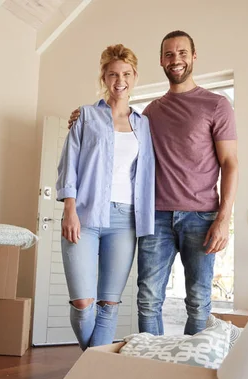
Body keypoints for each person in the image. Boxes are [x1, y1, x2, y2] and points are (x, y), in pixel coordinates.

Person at [68, 31, 238, 336]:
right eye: (169, 54)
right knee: (147, 301)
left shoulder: (217, 105)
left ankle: (189, 371)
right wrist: (83, 116)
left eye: (182, 53)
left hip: (201, 217)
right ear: (161, 60)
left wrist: (224, 220)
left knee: (199, 302)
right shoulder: (150, 113)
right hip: (154, 217)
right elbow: (114, 126)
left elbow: (230, 163)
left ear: (194, 56)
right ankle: (152, 367)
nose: (176, 60)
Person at [56, 44, 155, 350]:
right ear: (104, 76)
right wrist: (69, 209)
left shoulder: (145, 124)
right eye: (113, 74)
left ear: (135, 76)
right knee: (84, 303)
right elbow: (68, 165)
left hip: (125, 221)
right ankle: (94, 369)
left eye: (126, 73)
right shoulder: (85, 116)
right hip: (83, 217)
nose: (119, 80)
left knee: (109, 305)